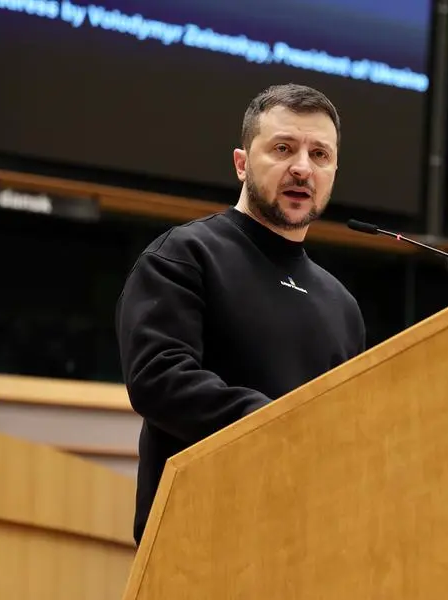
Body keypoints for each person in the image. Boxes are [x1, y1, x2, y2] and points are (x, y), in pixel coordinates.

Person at [115, 83, 366, 545]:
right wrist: (279, 424)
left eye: (320, 155)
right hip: (201, 539)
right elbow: (159, 380)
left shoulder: (342, 305)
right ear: (241, 163)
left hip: (309, 546)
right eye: (283, 148)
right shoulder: (185, 255)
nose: (302, 168)